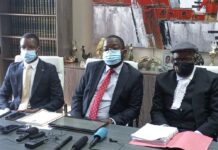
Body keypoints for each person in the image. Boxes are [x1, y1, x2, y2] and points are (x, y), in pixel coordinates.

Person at [70, 35, 143, 125]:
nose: (109, 52)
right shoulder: (92, 68)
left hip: (109, 124)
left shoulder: (134, 76)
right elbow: (78, 96)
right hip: (84, 120)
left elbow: (134, 108)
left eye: (114, 49)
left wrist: (112, 121)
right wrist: (76, 119)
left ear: (124, 53)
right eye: (106, 49)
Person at [150, 41, 218, 138]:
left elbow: (216, 116)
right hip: (167, 131)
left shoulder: (212, 80)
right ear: (173, 61)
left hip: (198, 133)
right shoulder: (162, 79)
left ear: (194, 59)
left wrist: (198, 134)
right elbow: (156, 111)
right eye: (177, 59)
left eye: (186, 59)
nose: (181, 63)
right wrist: (164, 128)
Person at [0, 33, 64, 113]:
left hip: (38, 113)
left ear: (38, 49)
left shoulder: (49, 70)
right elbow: (2, 95)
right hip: (15, 112)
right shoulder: (13, 68)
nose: (26, 51)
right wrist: (6, 110)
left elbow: (58, 99)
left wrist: (40, 110)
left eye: (30, 48)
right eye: (23, 47)